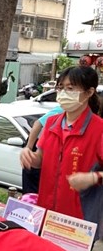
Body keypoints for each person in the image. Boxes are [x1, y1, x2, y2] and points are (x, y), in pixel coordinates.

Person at [20, 66, 103, 219]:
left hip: (79, 220)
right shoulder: (52, 123)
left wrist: (92, 178)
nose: (63, 93)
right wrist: (29, 156)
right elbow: (40, 159)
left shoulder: (99, 130)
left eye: (70, 88)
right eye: (61, 88)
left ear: (89, 93)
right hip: (46, 214)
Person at [21, 103, 63, 195]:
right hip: (36, 147)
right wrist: (28, 147)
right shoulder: (61, 110)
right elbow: (38, 123)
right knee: (32, 191)